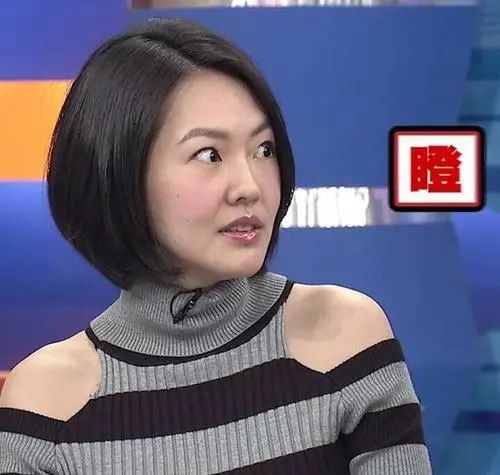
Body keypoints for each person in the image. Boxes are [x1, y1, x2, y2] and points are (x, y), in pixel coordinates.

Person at [0, 17, 432, 474]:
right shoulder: (47, 407)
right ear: (118, 173)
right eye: (209, 155)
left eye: (263, 149)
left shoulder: (346, 335)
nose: (249, 186)